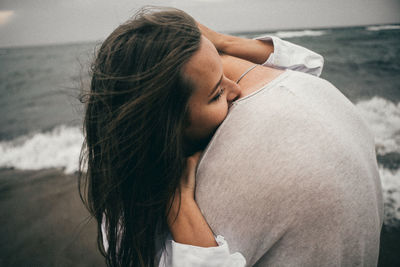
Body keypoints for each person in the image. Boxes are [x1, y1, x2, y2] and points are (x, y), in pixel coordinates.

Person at [79, 6, 382, 267]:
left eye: (224, 71)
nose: (236, 89)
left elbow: (308, 64)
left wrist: (222, 42)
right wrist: (179, 201)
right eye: (216, 94)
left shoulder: (181, 101)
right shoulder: (126, 221)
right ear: (166, 129)